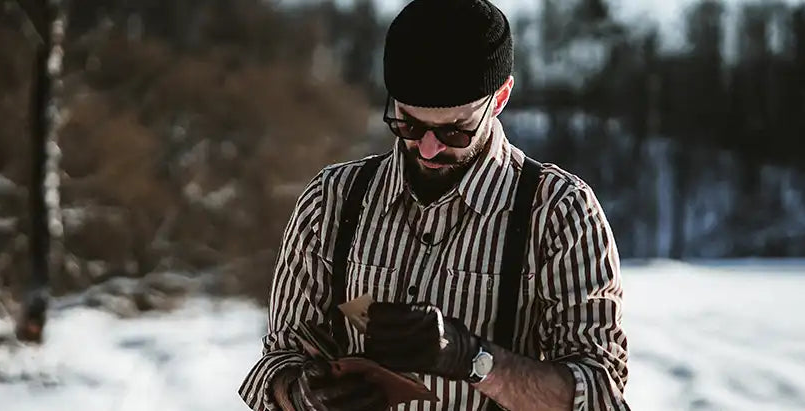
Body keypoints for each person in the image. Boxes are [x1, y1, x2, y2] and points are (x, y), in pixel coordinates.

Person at [237, 0, 629, 410]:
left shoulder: (558, 213)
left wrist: (473, 359)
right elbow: (279, 359)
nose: (428, 147)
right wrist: (299, 393)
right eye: (409, 123)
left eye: (455, 130)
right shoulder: (332, 201)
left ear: (500, 99)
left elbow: (600, 395)